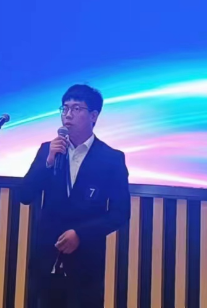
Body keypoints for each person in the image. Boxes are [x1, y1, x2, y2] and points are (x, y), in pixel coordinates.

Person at [18, 84, 130, 308]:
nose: (68, 114)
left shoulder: (111, 158)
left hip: (85, 266)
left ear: (94, 116)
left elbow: (120, 213)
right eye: (65, 108)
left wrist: (80, 234)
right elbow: (24, 194)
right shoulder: (48, 150)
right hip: (45, 262)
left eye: (76, 108)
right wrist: (48, 162)